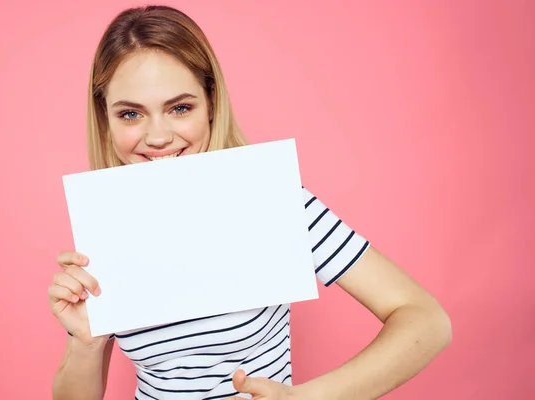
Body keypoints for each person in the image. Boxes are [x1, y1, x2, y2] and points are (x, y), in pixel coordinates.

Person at [48, 5, 452, 400]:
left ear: (210, 103)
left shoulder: (273, 202)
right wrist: (85, 340)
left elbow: (426, 320)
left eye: (180, 107)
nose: (157, 136)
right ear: (106, 118)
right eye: (131, 114)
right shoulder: (106, 225)